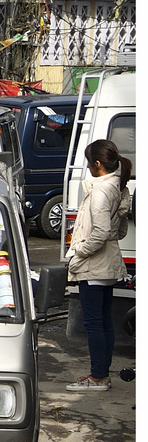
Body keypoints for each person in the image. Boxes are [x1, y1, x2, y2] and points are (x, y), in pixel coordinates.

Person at [65, 139, 132, 391]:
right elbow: (119, 230)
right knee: (103, 321)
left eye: (89, 163)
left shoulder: (101, 190)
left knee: (94, 323)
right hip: (108, 262)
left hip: (94, 264)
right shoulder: (118, 186)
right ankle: (101, 374)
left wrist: (78, 252)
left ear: (97, 164)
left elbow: (101, 231)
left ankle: (98, 377)